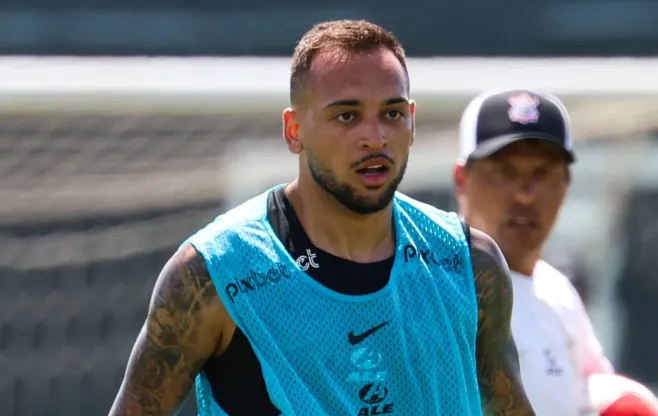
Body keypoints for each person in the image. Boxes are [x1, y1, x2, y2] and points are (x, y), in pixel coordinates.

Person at [109, 20, 535, 416]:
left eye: (392, 113)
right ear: (294, 131)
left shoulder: (469, 264)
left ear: (412, 121)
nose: (375, 137)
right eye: (346, 116)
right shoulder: (215, 274)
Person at [453, 89, 614, 416]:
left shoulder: (559, 294)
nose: (525, 195)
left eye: (541, 174)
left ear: (566, 184)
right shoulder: (437, 285)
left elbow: (599, 396)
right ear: (461, 180)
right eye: (505, 172)